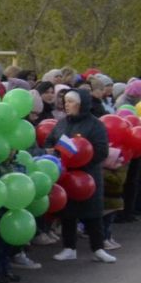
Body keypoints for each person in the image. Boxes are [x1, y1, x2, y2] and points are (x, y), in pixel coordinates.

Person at [52, 87, 115, 263]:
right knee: (68, 214)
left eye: (70, 102)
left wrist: (82, 156)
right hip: (67, 175)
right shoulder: (62, 123)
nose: (67, 105)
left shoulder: (96, 125)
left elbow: (102, 151)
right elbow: (50, 140)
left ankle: (98, 248)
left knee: (93, 213)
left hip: (89, 175)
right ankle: (69, 247)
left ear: (81, 104)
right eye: (65, 102)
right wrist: (58, 150)